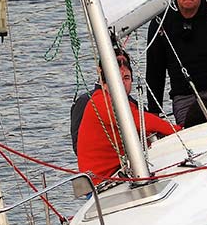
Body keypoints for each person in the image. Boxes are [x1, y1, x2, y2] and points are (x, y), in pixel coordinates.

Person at [76, 48, 180, 179]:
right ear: (104, 81)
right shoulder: (100, 102)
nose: (122, 84)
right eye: (117, 79)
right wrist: (178, 131)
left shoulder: (125, 103)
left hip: (121, 171)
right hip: (103, 180)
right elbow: (139, 120)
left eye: (126, 78)